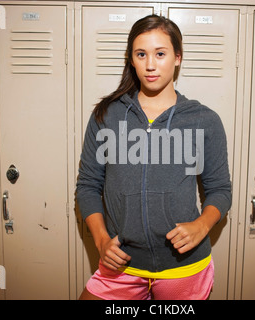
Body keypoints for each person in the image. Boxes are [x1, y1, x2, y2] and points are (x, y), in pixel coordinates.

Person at [76, 14, 232, 300]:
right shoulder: (106, 115)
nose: (150, 64)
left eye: (160, 54)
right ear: (131, 59)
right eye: (141, 54)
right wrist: (100, 241)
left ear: (177, 57)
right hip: (122, 265)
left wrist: (201, 226)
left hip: (184, 267)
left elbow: (220, 190)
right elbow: (87, 187)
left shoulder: (203, 119)